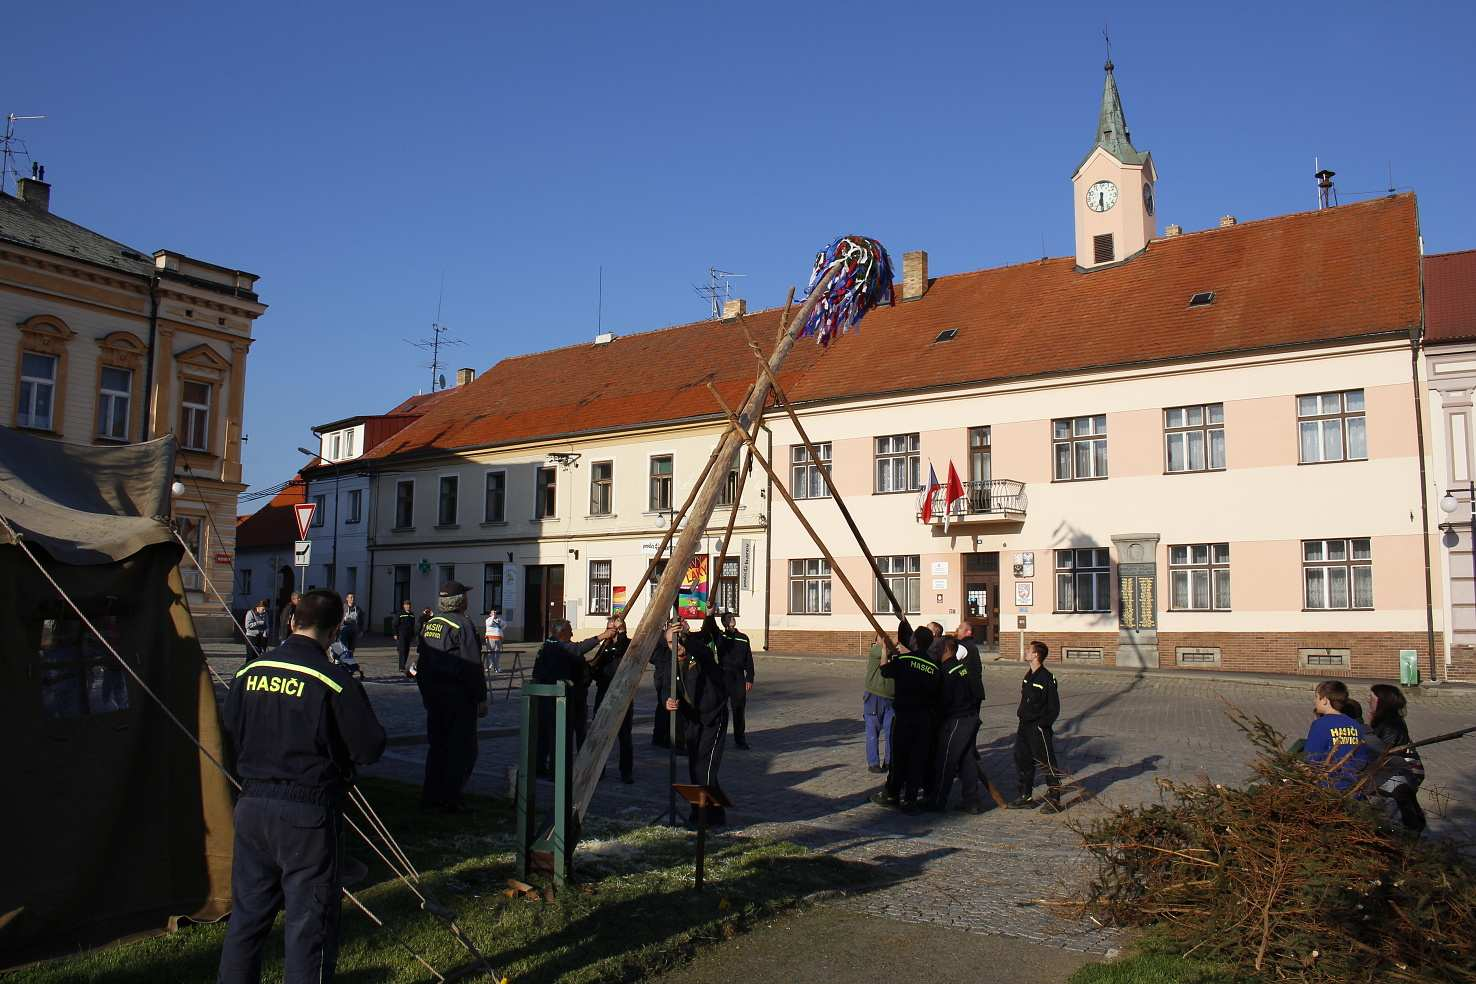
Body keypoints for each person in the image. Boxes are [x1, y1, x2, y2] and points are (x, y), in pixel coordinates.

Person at [217, 589, 386, 984]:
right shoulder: (332, 680)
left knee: (247, 918)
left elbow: (231, 730)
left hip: (252, 803)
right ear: (335, 630)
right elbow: (369, 746)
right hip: (307, 811)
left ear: (292, 621)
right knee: (309, 923)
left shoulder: (248, 673)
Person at [414, 581, 488, 812]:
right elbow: (472, 665)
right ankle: (450, 797)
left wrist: (427, 694)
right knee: (462, 749)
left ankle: (432, 795)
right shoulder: (463, 625)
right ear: (461, 601)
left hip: (435, 697)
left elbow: (421, 665)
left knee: (438, 747)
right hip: (458, 697)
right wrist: (481, 697)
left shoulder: (431, 624)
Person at [532, 618, 620, 775]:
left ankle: (547, 767)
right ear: (562, 633)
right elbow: (578, 648)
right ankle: (557, 772)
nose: (572, 633)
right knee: (559, 737)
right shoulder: (556, 646)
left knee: (552, 735)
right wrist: (601, 636)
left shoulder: (551, 645)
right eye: (570, 630)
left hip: (563, 697)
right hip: (561, 699)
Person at [667, 615, 731, 826]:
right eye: (670, 643)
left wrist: (685, 638)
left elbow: (704, 652)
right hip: (693, 721)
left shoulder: (698, 657)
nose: (675, 647)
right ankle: (705, 812)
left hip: (713, 717)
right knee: (695, 769)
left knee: (706, 769)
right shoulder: (671, 666)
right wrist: (667, 701)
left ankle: (707, 817)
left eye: (676, 642)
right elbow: (665, 689)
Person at [871, 621, 940, 814]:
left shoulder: (905, 661)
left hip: (904, 717)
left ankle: (892, 794)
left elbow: (884, 670)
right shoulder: (934, 667)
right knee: (918, 759)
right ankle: (910, 799)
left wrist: (885, 649)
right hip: (924, 719)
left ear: (915, 642)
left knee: (900, 757)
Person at [932, 634, 986, 814]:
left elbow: (944, 701)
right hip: (970, 717)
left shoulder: (947, 671)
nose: (937, 651)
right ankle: (972, 801)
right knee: (967, 761)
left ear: (947, 649)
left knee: (946, 760)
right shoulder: (961, 668)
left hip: (957, 719)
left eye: (939, 648)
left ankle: (938, 800)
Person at [1367, 683, 1427, 833]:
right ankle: (1410, 823)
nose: (1368, 701)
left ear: (1382, 703)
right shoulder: (1386, 720)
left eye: (1372, 699)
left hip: (1402, 770)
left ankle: (1406, 827)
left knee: (1398, 800)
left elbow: (1383, 751)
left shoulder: (1389, 724)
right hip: (1400, 770)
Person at [1012, 640, 1063, 811]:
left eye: (1029, 650)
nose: (1026, 652)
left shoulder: (1047, 678)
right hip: (1024, 725)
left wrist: (1043, 725)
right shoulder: (1029, 675)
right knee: (1023, 759)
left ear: (1036, 655)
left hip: (1038, 727)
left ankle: (1055, 798)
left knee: (1046, 762)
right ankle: (1025, 796)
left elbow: (1053, 707)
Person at [1303, 680, 1378, 794]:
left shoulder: (1320, 725)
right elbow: (1362, 758)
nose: (1315, 701)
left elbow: (1312, 758)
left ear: (1325, 700)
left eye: (1316, 697)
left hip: (1326, 788)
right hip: (1352, 788)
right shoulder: (1355, 725)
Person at [590, 616, 635, 783]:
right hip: (604, 693)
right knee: (600, 734)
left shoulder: (628, 643)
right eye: (609, 628)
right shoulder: (605, 647)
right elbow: (597, 667)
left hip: (622, 694)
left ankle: (626, 772)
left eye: (613, 628)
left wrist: (621, 632)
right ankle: (598, 770)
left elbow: (624, 648)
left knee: (624, 737)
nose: (610, 631)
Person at [718, 611, 755, 749]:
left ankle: (740, 739)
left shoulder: (743, 638)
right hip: (723, 676)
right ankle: (719, 739)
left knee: (739, 709)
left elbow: (748, 660)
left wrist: (749, 678)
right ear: (724, 623)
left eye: (733, 617)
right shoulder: (721, 637)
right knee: (721, 710)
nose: (732, 619)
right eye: (729, 618)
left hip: (738, 677)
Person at [863, 634, 896, 775]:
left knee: (891, 732)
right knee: (873, 731)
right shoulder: (875, 650)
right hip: (874, 696)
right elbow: (886, 650)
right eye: (882, 638)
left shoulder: (893, 653)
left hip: (891, 698)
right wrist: (892, 642)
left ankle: (889, 761)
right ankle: (873, 763)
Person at [651, 623, 677, 750]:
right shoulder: (662, 645)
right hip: (663, 680)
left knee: (666, 709)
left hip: (667, 679)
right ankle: (661, 737)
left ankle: (664, 736)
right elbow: (653, 655)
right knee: (663, 709)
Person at [394, 600, 418, 678]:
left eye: (409, 605)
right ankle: (401, 667)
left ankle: (403, 664)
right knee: (402, 650)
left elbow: (413, 626)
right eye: (406, 605)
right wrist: (395, 634)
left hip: (408, 635)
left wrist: (413, 635)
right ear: (404, 606)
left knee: (407, 650)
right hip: (401, 634)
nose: (408, 606)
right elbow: (395, 624)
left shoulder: (412, 615)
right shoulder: (400, 614)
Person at [484, 608, 504, 674]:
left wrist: (502, 629)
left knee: (497, 653)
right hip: (490, 638)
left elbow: (505, 624)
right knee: (489, 653)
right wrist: (493, 617)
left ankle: (496, 667)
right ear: (490, 614)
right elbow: (489, 624)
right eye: (492, 613)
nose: (494, 614)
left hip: (498, 638)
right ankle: (488, 666)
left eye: (495, 613)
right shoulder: (488, 620)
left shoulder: (499, 620)